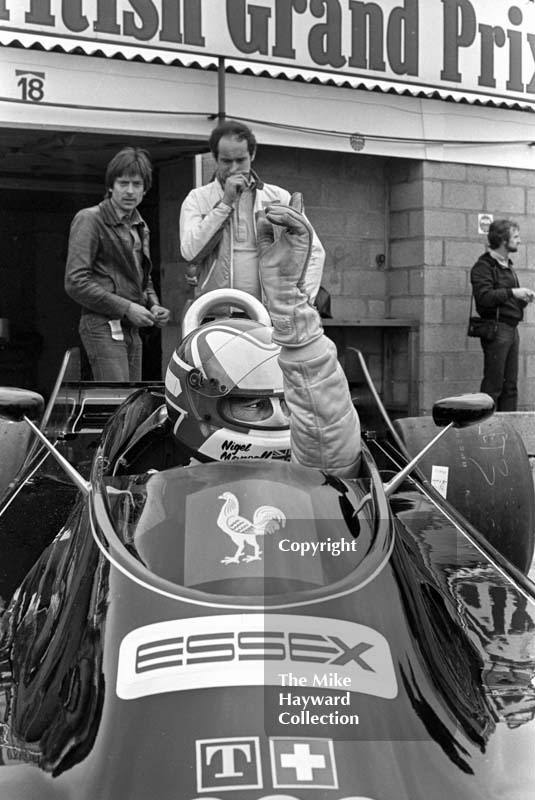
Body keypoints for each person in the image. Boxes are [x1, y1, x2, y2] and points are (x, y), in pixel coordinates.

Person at [166, 197, 360, 477]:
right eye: (255, 405)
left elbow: (328, 450)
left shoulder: (310, 490)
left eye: (286, 403)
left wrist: (291, 309)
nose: (282, 418)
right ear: (199, 408)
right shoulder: (146, 500)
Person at [179, 119, 325, 306]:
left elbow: (314, 251)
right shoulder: (198, 198)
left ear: (252, 155)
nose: (233, 168)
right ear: (215, 158)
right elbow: (190, 251)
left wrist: (302, 300)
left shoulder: (278, 197)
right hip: (216, 312)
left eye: (240, 160)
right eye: (226, 161)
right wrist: (225, 204)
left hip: (269, 314)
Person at [65, 147, 170, 381]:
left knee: (130, 404)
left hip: (131, 328)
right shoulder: (90, 219)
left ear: (145, 189)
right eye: (123, 183)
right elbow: (75, 282)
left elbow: (144, 278)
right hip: (101, 323)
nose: (130, 191)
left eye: (136, 184)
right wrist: (127, 307)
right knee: (117, 402)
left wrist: (153, 305)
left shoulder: (140, 225)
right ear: (111, 185)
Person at [470, 219, 534, 411]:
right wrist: (514, 292)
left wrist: (522, 298)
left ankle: (508, 433)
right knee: (493, 387)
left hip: (510, 330)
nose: (519, 241)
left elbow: (502, 297)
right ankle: (487, 433)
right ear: (503, 240)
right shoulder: (484, 266)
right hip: (497, 330)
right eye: (515, 237)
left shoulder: (506, 265)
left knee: (510, 387)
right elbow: (484, 298)